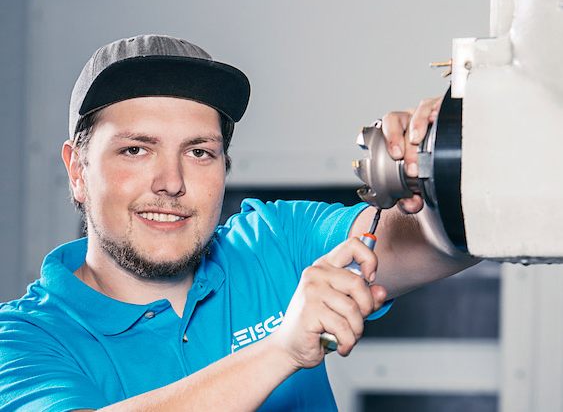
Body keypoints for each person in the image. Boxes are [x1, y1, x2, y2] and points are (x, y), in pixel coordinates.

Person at [0, 35, 475, 411]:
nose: (171, 183)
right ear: (77, 171)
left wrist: (454, 154)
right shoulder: (23, 341)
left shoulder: (276, 242)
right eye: (136, 149)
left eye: (199, 152)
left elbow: (443, 241)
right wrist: (280, 351)